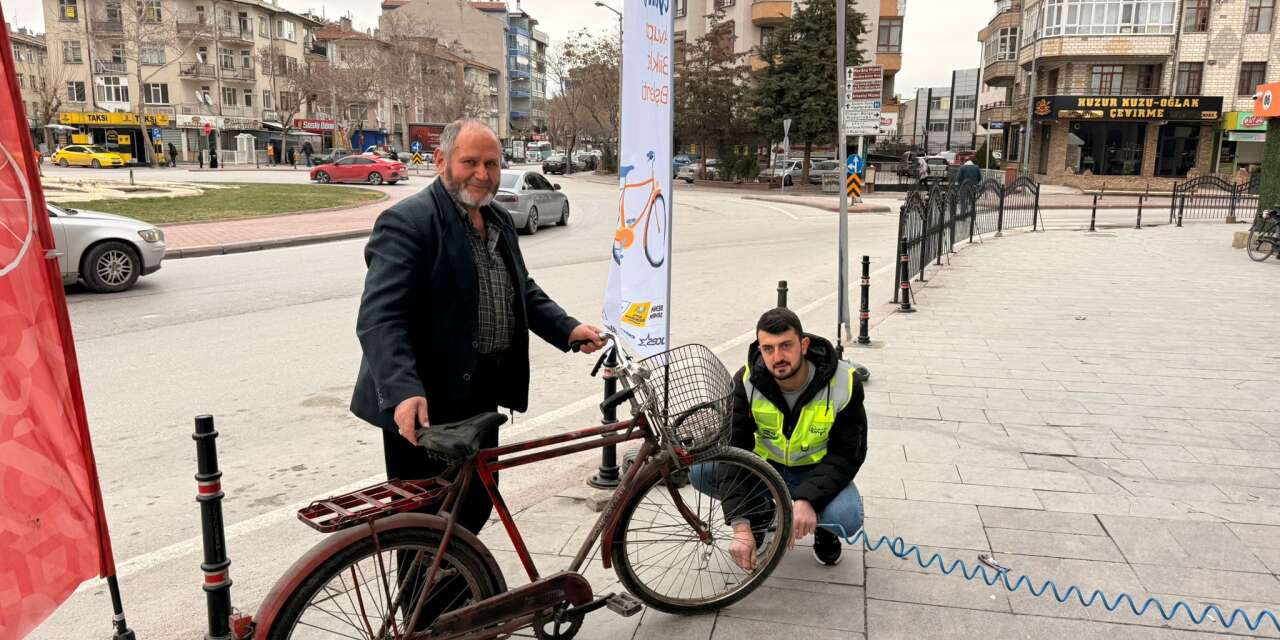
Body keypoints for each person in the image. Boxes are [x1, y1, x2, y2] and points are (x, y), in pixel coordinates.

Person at [350, 117, 604, 537]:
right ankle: (425, 605)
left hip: (480, 397)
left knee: (471, 511)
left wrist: (568, 329)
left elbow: (520, 290)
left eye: (492, 164)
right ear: (441, 161)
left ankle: (467, 597)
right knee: (425, 529)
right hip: (425, 406)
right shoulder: (409, 223)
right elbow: (380, 318)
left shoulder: (498, 219)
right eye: (470, 162)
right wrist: (403, 390)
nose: (483, 175)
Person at [692, 307, 867, 569]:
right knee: (701, 471)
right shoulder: (747, 381)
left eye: (786, 345)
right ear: (760, 349)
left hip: (815, 470)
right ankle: (760, 512)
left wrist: (809, 500)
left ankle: (822, 528)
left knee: (847, 516)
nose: (778, 357)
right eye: (769, 348)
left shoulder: (844, 382)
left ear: (804, 345)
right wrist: (740, 525)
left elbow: (848, 453)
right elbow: (733, 450)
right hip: (766, 469)